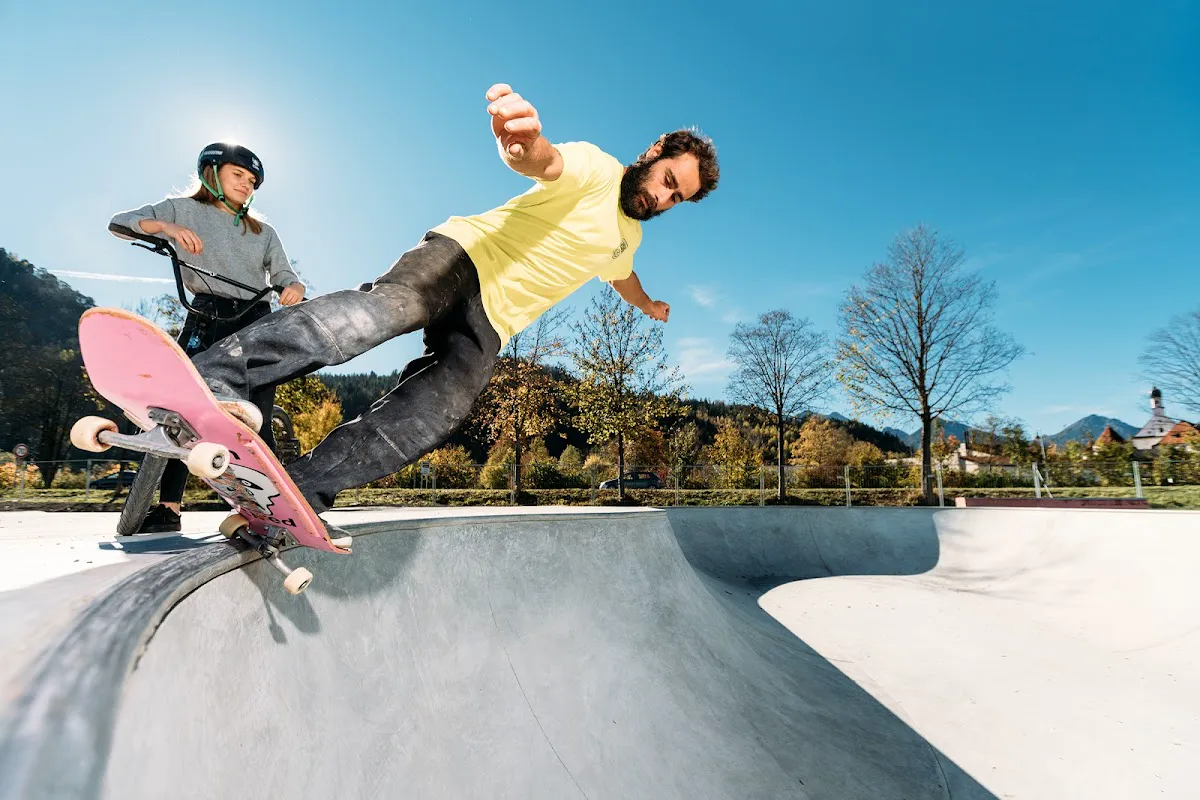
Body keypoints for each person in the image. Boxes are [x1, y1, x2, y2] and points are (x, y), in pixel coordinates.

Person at [192, 83, 719, 521]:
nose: (663, 198)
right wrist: (523, 147)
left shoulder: (630, 240)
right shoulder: (599, 169)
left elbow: (621, 276)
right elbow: (548, 161)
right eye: (667, 181)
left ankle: (298, 489)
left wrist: (647, 304)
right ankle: (221, 375)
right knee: (388, 311)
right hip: (464, 258)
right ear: (652, 157)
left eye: (677, 199)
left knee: (435, 413)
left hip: (490, 324)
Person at [110, 142, 306, 533]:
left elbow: (285, 275)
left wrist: (293, 287)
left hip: (255, 324)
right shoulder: (183, 210)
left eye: (252, 182)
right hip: (206, 317)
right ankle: (168, 509)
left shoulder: (263, 232)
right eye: (238, 176)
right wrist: (167, 228)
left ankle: (262, 513)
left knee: (256, 420)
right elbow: (120, 223)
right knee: (180, 414)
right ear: (211, 174)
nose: (246, 185)